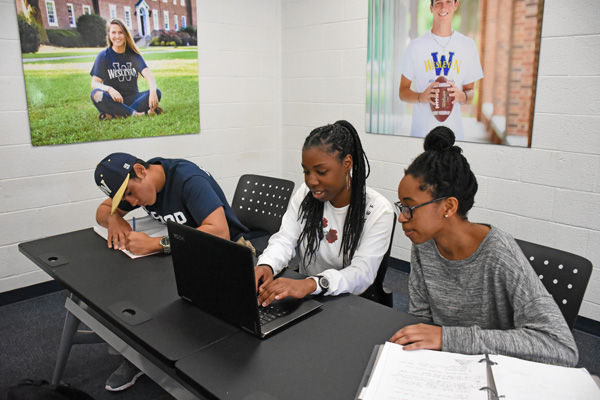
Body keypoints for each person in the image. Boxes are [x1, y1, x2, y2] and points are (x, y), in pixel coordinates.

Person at [389, 126, 578, 367]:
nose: (402, 218)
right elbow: (421, 318)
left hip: (497, 370)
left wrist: (448, 338)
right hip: (449, 363)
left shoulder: (499, 253)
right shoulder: (424, 243)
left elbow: (560, 346)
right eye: (401, 207)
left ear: (448, 207)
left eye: (410, 208)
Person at [94, 152, 248, 391]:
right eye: (124, 199)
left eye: (130, 194)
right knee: (129, 282)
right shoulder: (140, 185)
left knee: (159, 294)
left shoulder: (188, 179)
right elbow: (102, 211)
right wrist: (115, 219)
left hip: (225, 251)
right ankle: (138, 353)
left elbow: (220, 233)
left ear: (141, 170)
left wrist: (157, 244)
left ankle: (205, 367)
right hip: (185, 250)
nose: (132, 203)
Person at [255, 120, 394, 306]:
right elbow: (285, 238)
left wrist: (313, 283)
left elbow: (362, 273)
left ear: (347, 163)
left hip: (350, 301)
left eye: (321, 172)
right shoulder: (306, 195)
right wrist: (267, 264)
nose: (311, 181)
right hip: (307, 293)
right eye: (306, 171)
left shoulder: (378, 210)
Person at [399, 0, 483, 139]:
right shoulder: (416, 46)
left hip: (454, 134)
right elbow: (402, 92)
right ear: (431, 8)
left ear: (456, 5)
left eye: (449, 1)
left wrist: (462, 96)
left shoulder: (467, 46)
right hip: (421, 133)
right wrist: (421, 97)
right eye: (438, 3)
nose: (443, 7)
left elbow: (471, 93)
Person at [90, 18, 162, 121]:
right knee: (96, 94)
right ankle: (138, 114)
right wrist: (109, 89)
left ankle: (117, 115)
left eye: (121, 32)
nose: (117, 36)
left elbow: (149, 75)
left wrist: (153, 91)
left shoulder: (133, 56)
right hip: (112, 100)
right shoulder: (104, 56)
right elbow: (94, 83)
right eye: (113, 32)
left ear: (126, 35)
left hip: (133, 99)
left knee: (157, 92)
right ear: (109, 34)